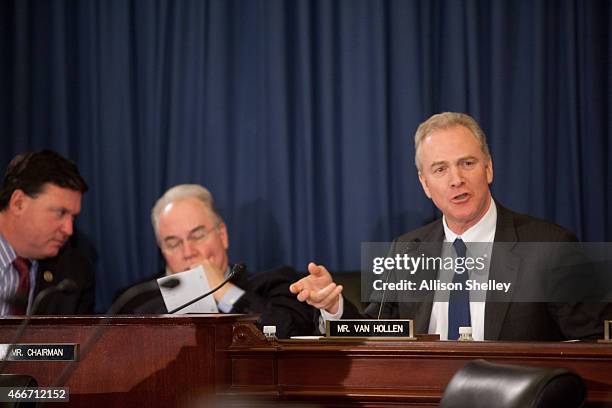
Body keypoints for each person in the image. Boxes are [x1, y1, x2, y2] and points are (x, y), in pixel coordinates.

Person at [290, 112, 607, 341]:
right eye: (440, 169)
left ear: (488, 168)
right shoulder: (407, 249)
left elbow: (592, 344)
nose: (456, 179)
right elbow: (376, 333)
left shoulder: (551, 247)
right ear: (425, 184)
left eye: (467, 163)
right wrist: (334, 307)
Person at [117, 184, 316, 339]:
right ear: (162, 251)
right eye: (173, 243)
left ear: (222, 235)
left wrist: (223, 292)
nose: (188, 252)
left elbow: (288, 335)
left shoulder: (272, 286)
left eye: (197, 235)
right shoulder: (135, 301)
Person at [0, 150, 94, 315]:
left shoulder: (73, 275)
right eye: (60, 213)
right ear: (18, 203)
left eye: (73, 218)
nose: (69, 230)